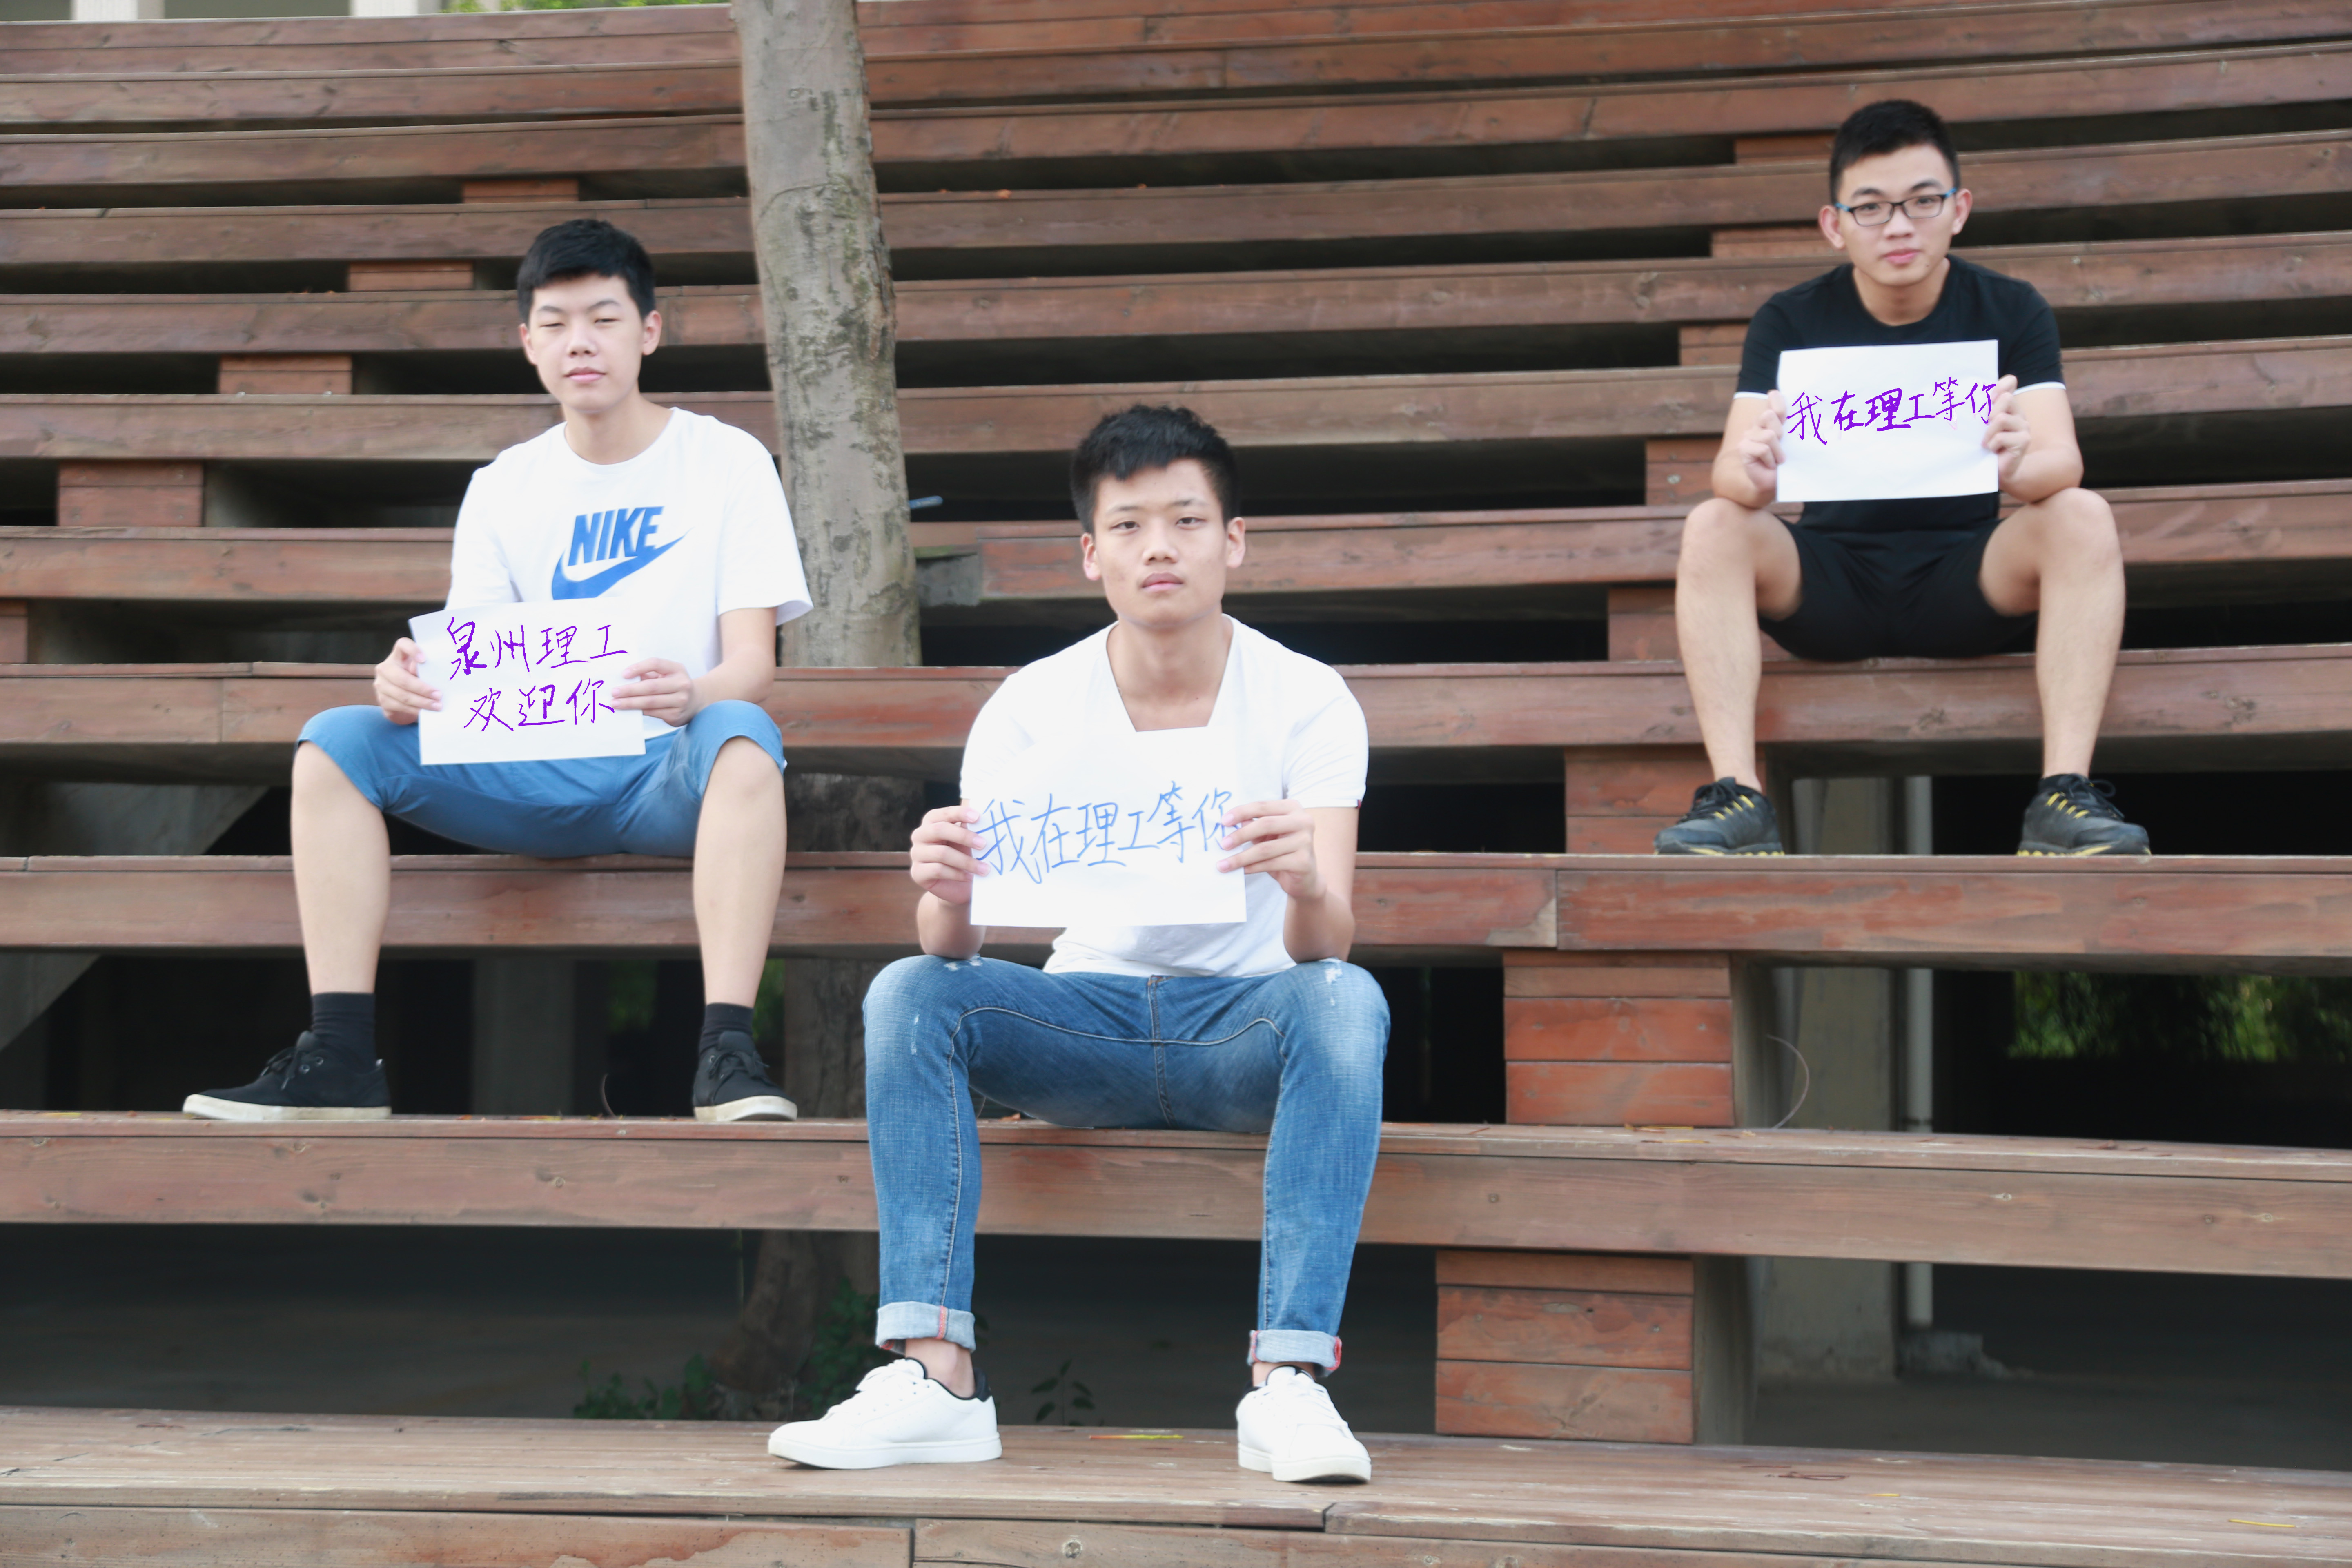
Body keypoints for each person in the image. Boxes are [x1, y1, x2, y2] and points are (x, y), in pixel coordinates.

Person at [765, 405, 1389, 1481]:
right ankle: (934, 1375)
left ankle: (1290, 1381)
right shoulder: (1033, 704)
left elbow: (1325, 942)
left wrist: (1302, 879)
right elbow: (951, 943)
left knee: (1346, 996)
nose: (1161, 548)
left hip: (1242, 1026)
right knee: (910, 988)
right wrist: (948, 887)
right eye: (1131, 526)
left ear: (1234, 540)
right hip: (1084, 1021)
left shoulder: (1307, 699)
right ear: (1092, 552)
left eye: (1188, 521)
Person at [185, 218, 808, 1123]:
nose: (580, 342)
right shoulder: (504, 484)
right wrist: (409, 684)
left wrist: (693, 694)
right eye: (555, 324)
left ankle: (727, 1055)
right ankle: (340, 1056)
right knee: (334, 742)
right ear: (528, 343)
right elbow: (475, 667)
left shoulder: (727, 461)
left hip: (668, 773)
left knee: (743, 731)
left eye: (603, 319)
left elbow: (753, 665)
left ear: (649, 331)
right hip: (531, 769)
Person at [1656, 99, 2149, 858]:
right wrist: (1753, 473)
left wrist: (2019, 467)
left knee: (2082, 513)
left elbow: (2064, 461)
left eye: (1922, 202)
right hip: (1833, 580)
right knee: (1714, 522)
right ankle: (1738, 797)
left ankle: (2063, 796)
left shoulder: (2010, 308)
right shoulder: (1791, 320)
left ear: (1959, 210)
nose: (1898, 227)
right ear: (1835, 224)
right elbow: (1730, 473)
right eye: (1872, 207)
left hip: (1966, 576)